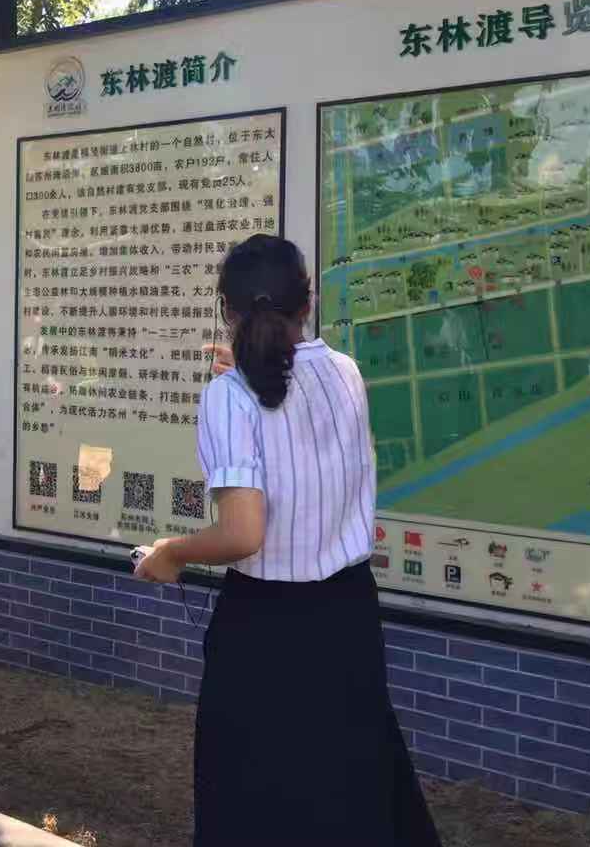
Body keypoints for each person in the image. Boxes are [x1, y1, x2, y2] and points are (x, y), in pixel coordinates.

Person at [133, 235, 440, 847]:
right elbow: (295, 406)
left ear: (227, 310)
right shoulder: (346, 373)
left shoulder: (229, 397)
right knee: (352, 782)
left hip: (266, 630)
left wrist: (172, 553)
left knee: (258, 798)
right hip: (348, 616)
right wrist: (247, 376)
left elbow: (243, 533)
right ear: (310, 302)